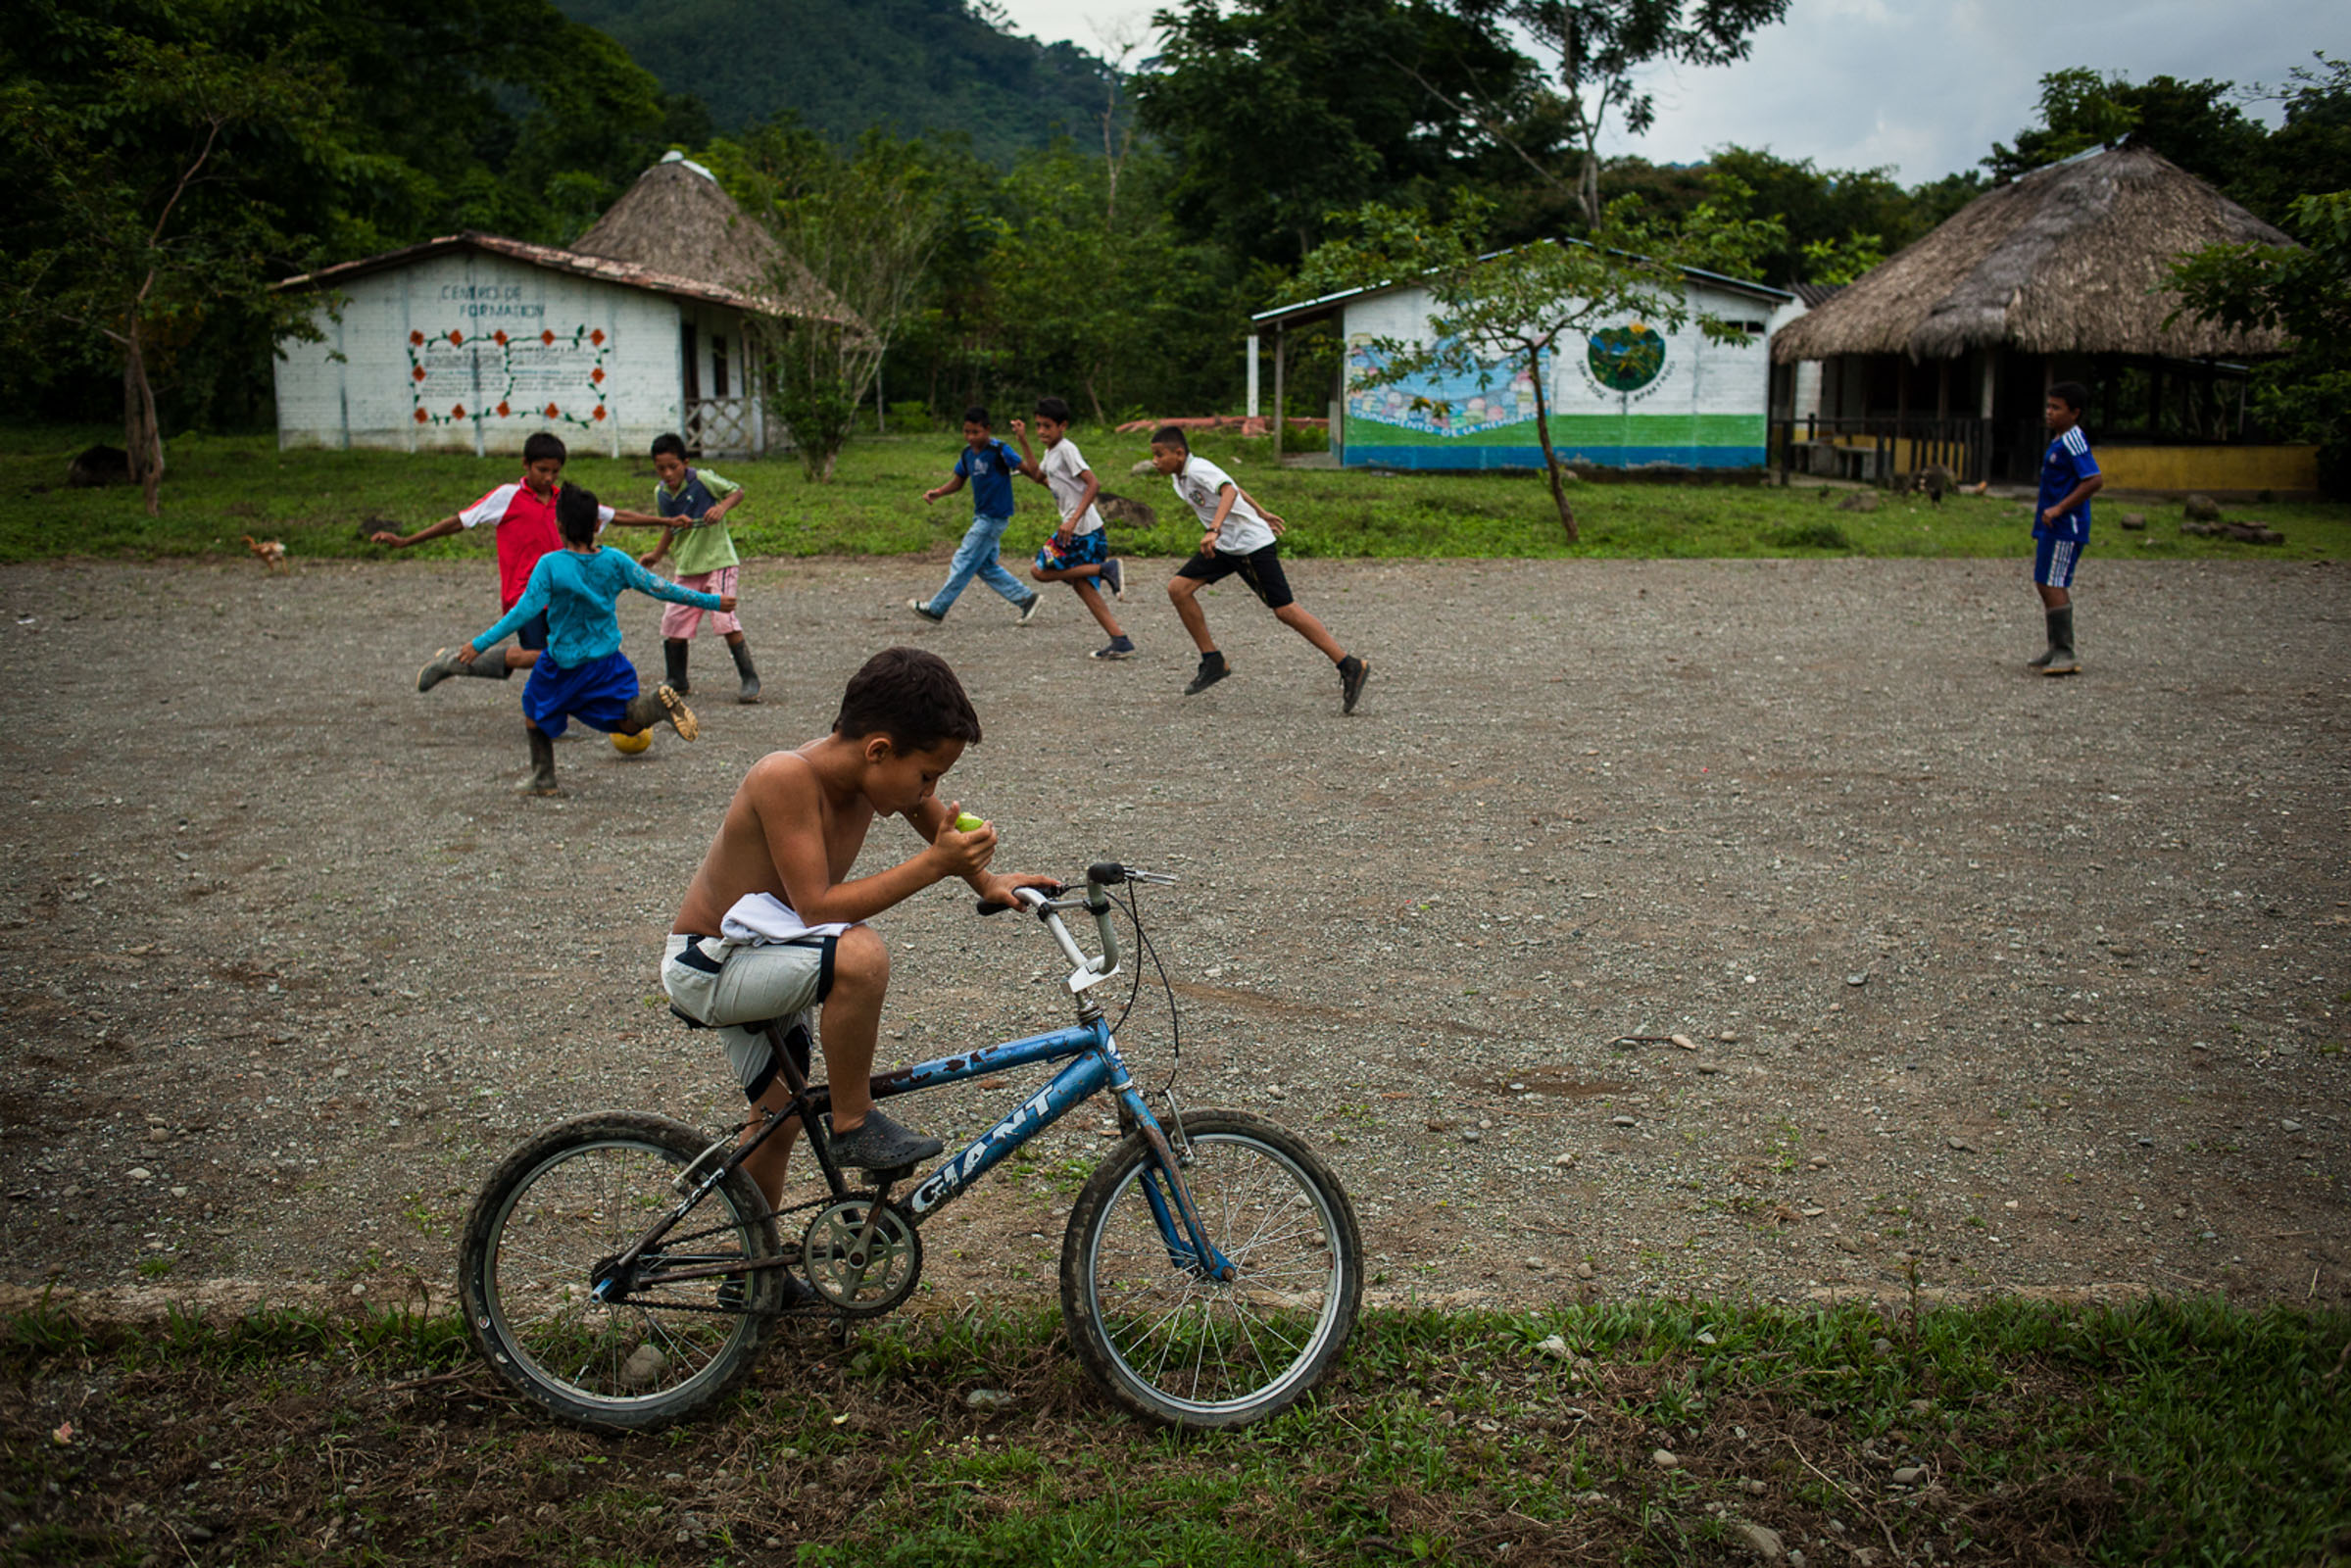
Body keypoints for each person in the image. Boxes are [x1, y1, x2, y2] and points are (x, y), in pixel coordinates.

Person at [660, 647, 1058, 1221]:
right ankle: (852, 1123)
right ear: (878, 750)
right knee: (861, 954)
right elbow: (818, 907)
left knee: (778, 1123)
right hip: (710, 964)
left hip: (766, 954)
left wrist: (986, 880)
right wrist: (936, 866)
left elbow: (935, 822)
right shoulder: (786, 777)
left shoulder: (874, 779)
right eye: (928, 775)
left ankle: (749, 1277)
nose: (930, 792)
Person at [457, 487, 728, 796]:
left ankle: (543, 778)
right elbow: (661, 587)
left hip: (562, 663)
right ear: (597, 525)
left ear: (558, 525)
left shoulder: (550, 565)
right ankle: (655, 707)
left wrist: (479, 644)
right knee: (626, 720)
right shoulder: (614, 560)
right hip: (607, 662)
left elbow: (522, 613)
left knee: (534, 709)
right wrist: (712, 601)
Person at [372, 431, 666, 691]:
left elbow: (616, 516)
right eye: (542, 470)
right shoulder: (506, 497)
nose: (549, 477)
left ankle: (549, 707)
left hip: (564, 594)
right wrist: (406, 541)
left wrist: (665, 520)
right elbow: (458, 522)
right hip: (526, 595)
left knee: (564, 656)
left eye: (555, 471)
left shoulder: (565, 501)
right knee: (547, 656)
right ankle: (458, 660)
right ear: (525, 464)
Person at [1149, 424, 1369, 712]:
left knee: (1285, 610)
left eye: (1159, 454)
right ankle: (1213, 660)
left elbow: (1227, 490)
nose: (1154, 461)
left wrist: (1214, 529)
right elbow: (1234, 487)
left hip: (1250, 546)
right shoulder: (1181, 478)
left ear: (1179, 453)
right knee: (1179, 589)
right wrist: (1260, 512)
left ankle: (1349, 664)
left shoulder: (1198, 469)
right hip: (1225, 546)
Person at [636, 432, 762, 704]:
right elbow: (671, 525)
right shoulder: (662, 493)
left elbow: (737, 492)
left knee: (724, 619)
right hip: (687, 565)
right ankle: (677, 679)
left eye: (674, 466)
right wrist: (657, 554)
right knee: (673, 621)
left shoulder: (702, 479)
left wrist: (722, 508)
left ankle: (750, 678)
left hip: (719, 562)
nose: (668, 473)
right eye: (661, 468)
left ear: (685, 462)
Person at [1011, 398, 1133, 660]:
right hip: (1080, 528)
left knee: (1039, 571)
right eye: (1037, 426)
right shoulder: (1050, 452)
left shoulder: (1067, 450)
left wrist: (1072, 520)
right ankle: (1120, 640)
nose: (1041, 431)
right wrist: (1022, 440)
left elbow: (1093, 484)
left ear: (1062, 426)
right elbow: (1038, 476)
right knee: (1081, 585)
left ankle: (1106, 569)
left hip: (1081, 529)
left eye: (1047, 426)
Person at [909, 407, 1042, 626]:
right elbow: (959, 480)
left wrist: (1050, 484)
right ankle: (1026, 599)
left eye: (976, 432)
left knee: (964, 560)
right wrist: (939, 492)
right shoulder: (967, 454)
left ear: (987, 430)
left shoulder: (1000, 450)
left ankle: (937, 608)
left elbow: (1030, 472)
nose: (971, 437)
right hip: (981, 516)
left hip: (994, 518)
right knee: (984, 565)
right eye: (967, 432)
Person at [2030, 382, 2102, 676]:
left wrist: (2060, 508)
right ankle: (2055, 645)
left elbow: (2094, 480)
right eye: (2048, 406)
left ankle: (2065, 651)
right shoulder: (2060, 439)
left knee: (2054, 582)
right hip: (2051, 526)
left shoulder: (2074, 441)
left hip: (2065, 526)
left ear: (2074, 413)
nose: (2049, 412)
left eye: (2056, 408)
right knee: (2045, 581)